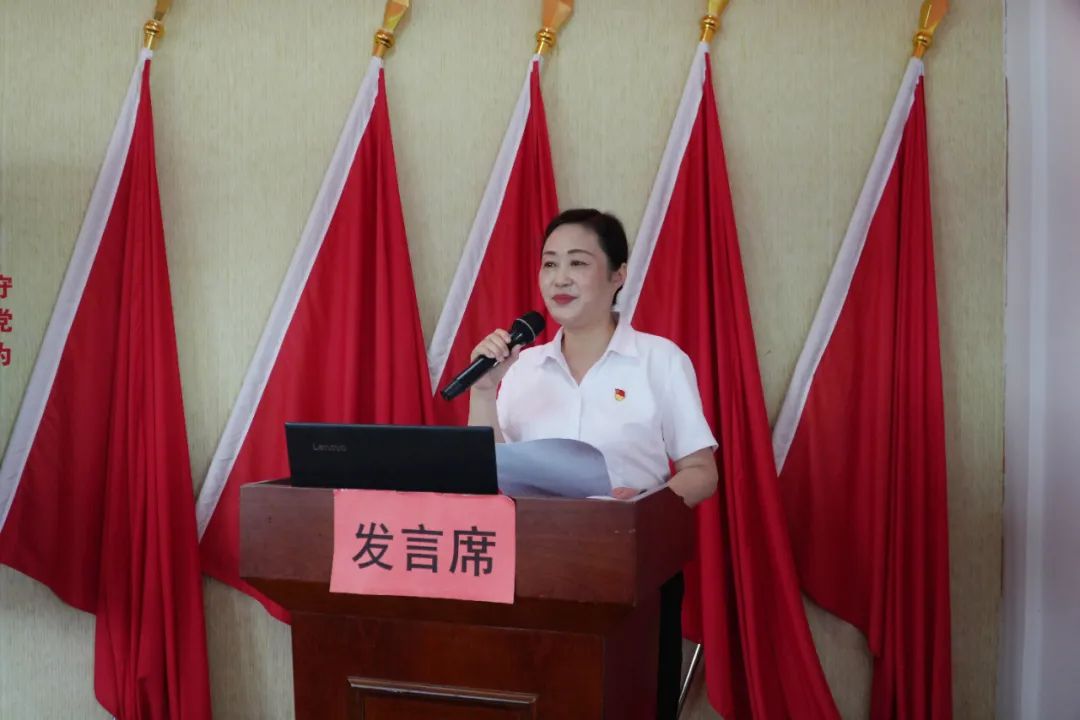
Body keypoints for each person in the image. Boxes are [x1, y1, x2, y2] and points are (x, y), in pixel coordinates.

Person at [467, 208, 719, 719]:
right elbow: (485, 469)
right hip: (532, 568)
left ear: (618, 275)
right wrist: (484, 390)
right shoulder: (523, 366)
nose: (560, 278)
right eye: (550, 263)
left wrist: (643, 508)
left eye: (578, 263)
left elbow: (701, 472)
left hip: (631, 570)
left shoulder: (659, 360)